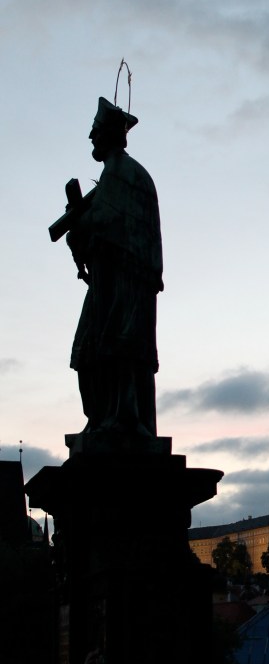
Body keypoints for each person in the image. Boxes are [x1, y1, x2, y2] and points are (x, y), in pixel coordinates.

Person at [65, 97, 163, 436]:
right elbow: (100, 226)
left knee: (113, 346)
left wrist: (81, 226)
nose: (91, 139)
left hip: (126, 282)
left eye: (94, 133)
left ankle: (121, 420)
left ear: (108, 135)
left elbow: (109, 223)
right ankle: (105, 419)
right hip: (111, 279)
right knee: (88, 350)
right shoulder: (114, 175)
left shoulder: (123, 173)